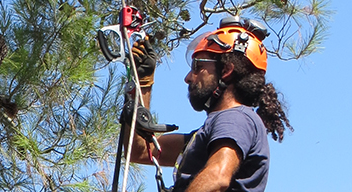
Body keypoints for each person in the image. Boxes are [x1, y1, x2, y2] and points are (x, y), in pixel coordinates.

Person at [123, 16, 292, 192]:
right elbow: (139, 151)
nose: (188, 77)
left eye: (197, 67)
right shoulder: (208, 134)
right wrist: (142, 82)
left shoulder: (234, 118)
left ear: (226, 70)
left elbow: (217, 177)